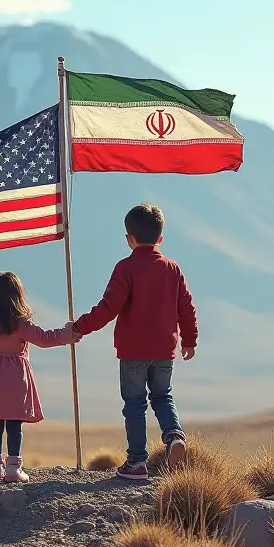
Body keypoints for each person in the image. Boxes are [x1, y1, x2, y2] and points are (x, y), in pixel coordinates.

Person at [72, 203, 196, 480]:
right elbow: (186, 307)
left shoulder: (125, 268)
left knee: (135, 404)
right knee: (163, 396)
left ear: (129, 238)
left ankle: (137, 463)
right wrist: (189, 340)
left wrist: (79, 327)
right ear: (160, 239)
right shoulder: (172, 269)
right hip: (165, 349)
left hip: (133, 352)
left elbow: (108, 307)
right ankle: (174, 436)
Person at [0, 271, 79, 482]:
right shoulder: (19, 323)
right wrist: (66, 334)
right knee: (15, 425)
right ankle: (14, 469)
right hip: (16, 379)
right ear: (17, 296)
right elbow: (43, 338)